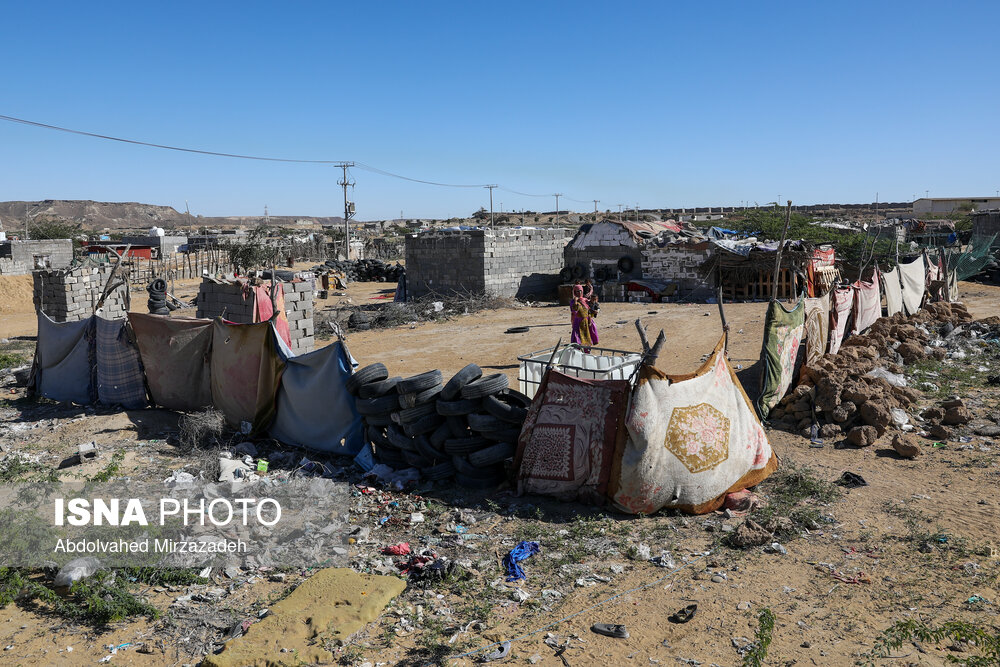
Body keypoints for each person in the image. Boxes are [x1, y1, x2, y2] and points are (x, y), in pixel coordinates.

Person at [570, 284, 598, 349]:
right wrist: (575, 301)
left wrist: (594, 311)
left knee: (587, 336)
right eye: (577, 291)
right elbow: (574, 310)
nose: (579, 292)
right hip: (578, 321)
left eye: (580, 291)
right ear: (574, 292)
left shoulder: (585, 300)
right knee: (578, 337)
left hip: (587, 321)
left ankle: (587, 350)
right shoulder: (573, 302)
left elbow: (589, 308)